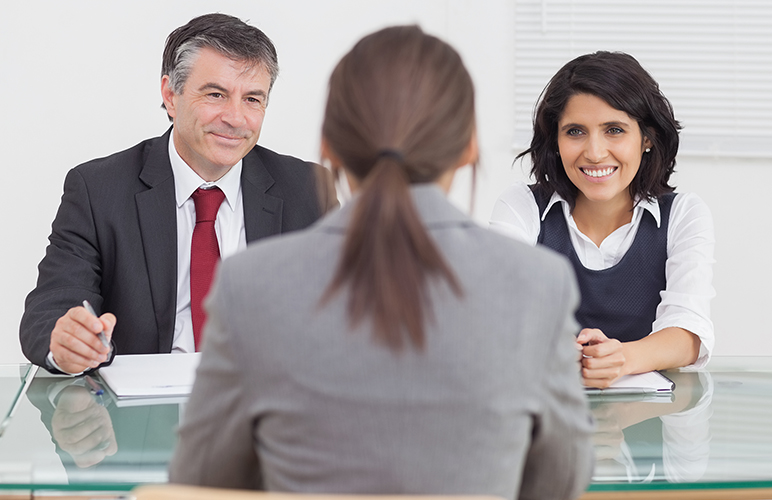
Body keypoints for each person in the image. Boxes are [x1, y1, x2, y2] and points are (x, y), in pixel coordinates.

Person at [169, 26, 593, 498]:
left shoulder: (250, 284)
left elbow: (203, 482)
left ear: (327, 143)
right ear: (468, 145)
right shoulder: (537, 283)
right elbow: (560, 480)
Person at [19, 13, 336, 375]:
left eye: (252, 99)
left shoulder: (309, 190)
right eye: (216, 94)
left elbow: (349, 318)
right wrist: (69, 343)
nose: (236, 118)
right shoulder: (98, 190)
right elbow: (51, 309)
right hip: (141, 419)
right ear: (171, 95)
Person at [490, 51, 715, 388]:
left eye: (614, 129)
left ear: (647, 138)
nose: (594, 152)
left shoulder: (683, 214)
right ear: (555, 140)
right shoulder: (521, 207)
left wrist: (619, 359)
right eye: (575, 131)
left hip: (645, 423)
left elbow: (689, 332)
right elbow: (496, 311)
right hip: (542, 415)